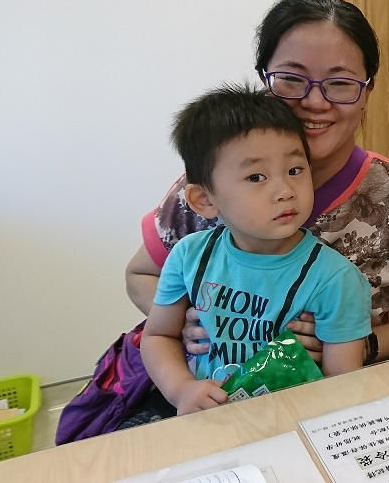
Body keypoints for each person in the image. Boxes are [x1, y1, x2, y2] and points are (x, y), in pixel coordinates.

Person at [126, 0, 389, 366]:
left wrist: (361, 344)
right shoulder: (213, 188)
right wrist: (186, 320)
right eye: (291, 78)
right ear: (264, 80)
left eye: (340, 82)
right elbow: (141, 274)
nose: (315, 102)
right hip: (218, 389)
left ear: (367, 91)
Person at [142, 84, 372, 416]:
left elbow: (342, 386)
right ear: (204, 199)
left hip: (295, 422)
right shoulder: (189, 256)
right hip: (205, 420)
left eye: (294, 170)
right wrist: (181, 391)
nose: (285, 190)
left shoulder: (335, 279)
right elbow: (158, 336)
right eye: (256, 177)